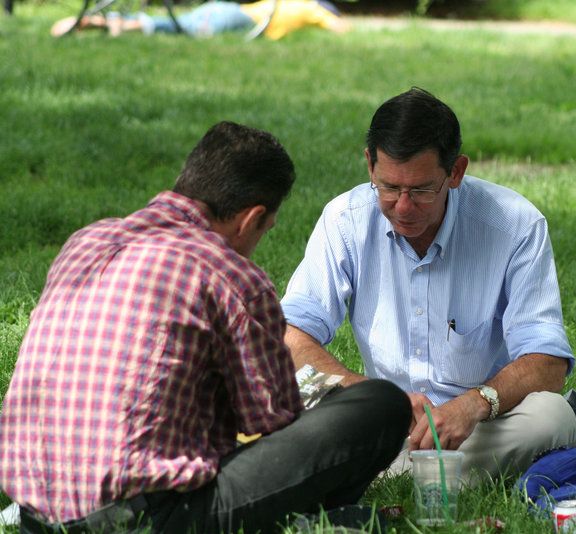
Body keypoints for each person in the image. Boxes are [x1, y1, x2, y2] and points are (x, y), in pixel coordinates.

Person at [0, 121, 411, 534]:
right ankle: (308, 519)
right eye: (264, 232)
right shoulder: (231, 274)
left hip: (37, 514)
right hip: (149, 519)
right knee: (380, 405)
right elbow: (271, 420)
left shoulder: (86, 242)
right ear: (251, 220)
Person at [281, 87, 576, 484]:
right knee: (288, 394)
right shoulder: (344, 220)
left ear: (456, 172)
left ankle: (375, 474)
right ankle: (427, 473)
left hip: (481, 425)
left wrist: (473, 405)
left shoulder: (515, 225)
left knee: (551, 416)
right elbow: (290, 339)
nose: (403, 207)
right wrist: (378, 401)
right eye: (388, 187)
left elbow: (548, 364)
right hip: (379, 421)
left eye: (421, 190)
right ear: (370, 165)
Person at [50, 0, 349, 39]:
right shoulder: (315, 8)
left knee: (177, 22)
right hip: (234, 21)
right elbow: (340, 26)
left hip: (223, 9)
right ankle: (117, 24)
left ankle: (107, 20)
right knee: (176, 28)